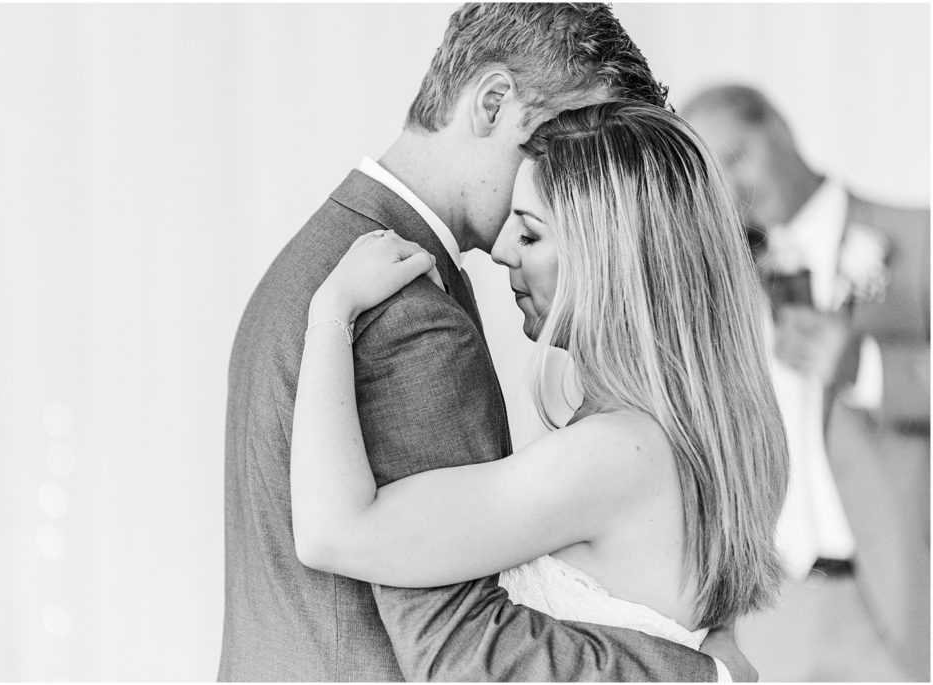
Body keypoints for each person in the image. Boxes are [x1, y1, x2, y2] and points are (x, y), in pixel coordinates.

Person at [219, 4, 757, 681]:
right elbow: (458, 646)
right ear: (495, 102)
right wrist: (701, 673)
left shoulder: (325, 256)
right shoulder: (404, 310)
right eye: (555, 140)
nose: (510, 249)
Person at [683, 84, 930, 681]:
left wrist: (866, 367)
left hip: (898, 599)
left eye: (736, 156)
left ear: (778, 127)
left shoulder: (918, 239)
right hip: (766, 612)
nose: (733, 189)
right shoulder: (721, 280)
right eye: (715, 178)